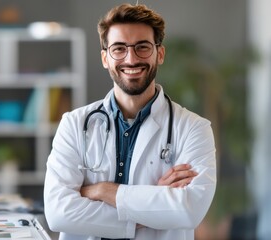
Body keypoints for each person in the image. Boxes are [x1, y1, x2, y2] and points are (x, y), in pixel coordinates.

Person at [43, 3, 216, 240]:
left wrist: (102, 191)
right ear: (105, 58)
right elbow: (58, 213)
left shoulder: (194, 129)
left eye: (142, 47)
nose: (131, 59)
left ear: (160, 53)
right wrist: (151, 207)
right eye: (119, 48)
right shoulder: (74, 124)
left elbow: (188, 210)